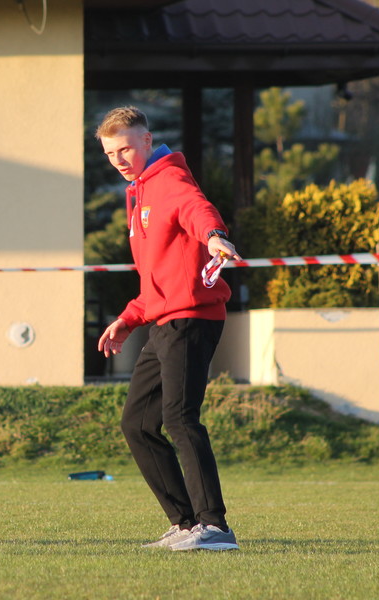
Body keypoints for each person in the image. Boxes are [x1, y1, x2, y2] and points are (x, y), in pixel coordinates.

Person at [95, 106, 241, 551]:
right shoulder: (138, 193)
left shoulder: (170, 180)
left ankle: (213, 527)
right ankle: (184, 523)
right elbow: (158, 278)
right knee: (137, 424)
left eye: (125, 148)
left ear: (146, 140)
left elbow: (198, 210)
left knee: (179, 417)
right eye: (109, 153)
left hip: (192, 316)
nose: (119, 159)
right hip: (163, 319)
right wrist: (127, 317)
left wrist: (215, 235)